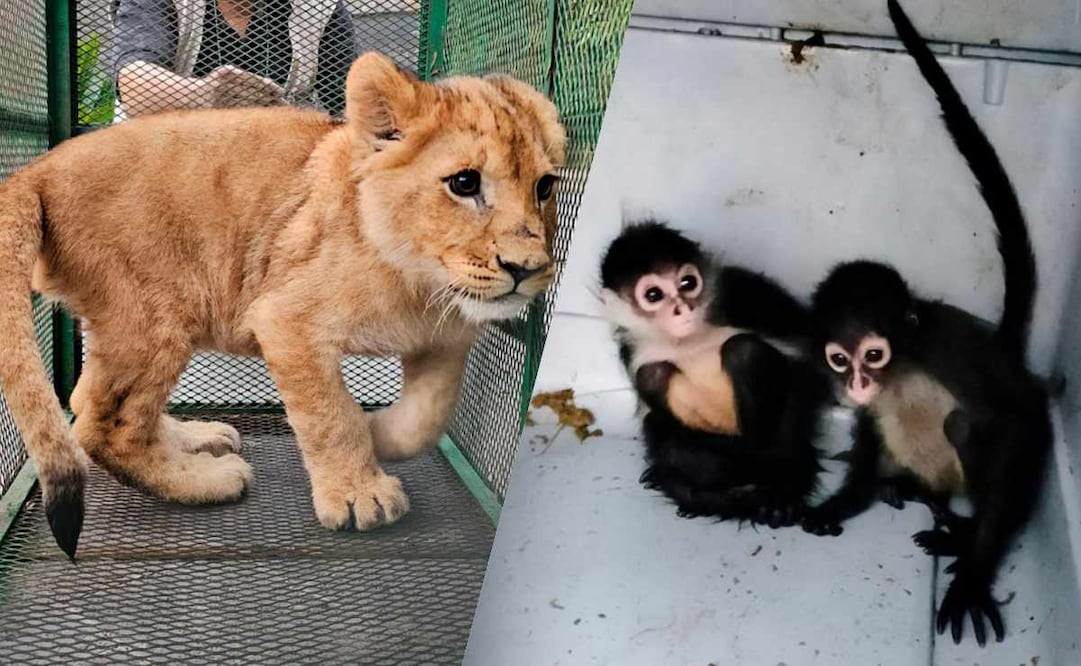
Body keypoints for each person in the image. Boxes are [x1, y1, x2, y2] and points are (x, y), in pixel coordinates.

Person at [111, 0, 358, 118]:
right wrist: (202, 95)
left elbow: (350, 102)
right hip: (175, 158)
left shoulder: (319, 7)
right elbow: (133, 84)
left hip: (278, 162)